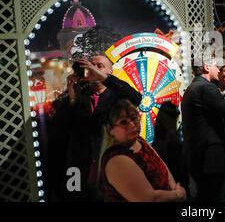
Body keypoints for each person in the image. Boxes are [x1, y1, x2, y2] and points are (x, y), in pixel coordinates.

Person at [48, 55, 142, 201]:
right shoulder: (76, 96)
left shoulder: (117, 97)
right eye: (91, 66)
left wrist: (103, 78)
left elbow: (136, 98)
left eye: (100, 66)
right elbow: (59, 129)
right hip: (77, 169)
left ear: (109, 72)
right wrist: (71, 99)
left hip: (109, 165)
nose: (93, 69)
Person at [99, 99, 186, 202]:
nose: (132, 125)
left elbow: (163, 168)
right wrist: (177, 194)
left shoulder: (139, 141)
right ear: (110, 130)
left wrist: (174, 188)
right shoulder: (116, 159)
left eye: (134, 118)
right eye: (123, 122)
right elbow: (148, 199)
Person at [181, 57, 225, 202]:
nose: (221, 70)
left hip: (199, 154)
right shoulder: (206, 87)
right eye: (218, 66)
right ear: (207, 67)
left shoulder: (194, 87)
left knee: (207, 194)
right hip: (209, 156)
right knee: (213, 195)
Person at [152, 102, 188, 194]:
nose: (175, 121)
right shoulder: (172, 139)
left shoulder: (156, 144)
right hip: (177, 188)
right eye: (174, 117)